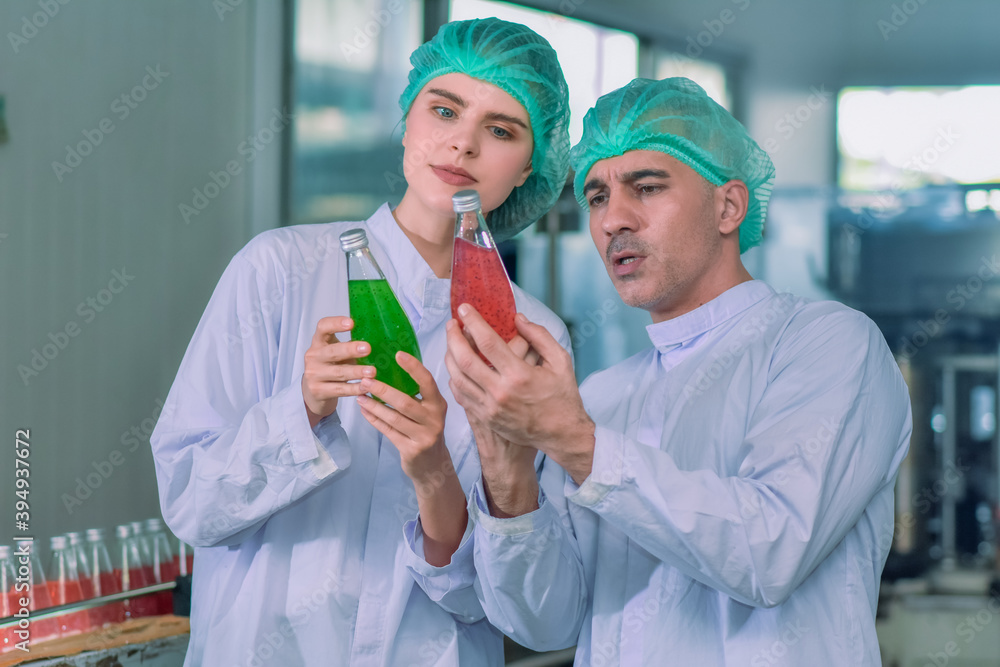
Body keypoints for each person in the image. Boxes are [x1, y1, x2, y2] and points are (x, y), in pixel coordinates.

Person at [445, 77, 913, 665]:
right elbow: (546, 622)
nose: (613, 218)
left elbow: (770, 553)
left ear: (729, 206)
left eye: (645, 186)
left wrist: (572, 440)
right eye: (595, 197)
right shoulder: (603, 395)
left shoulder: (828, 344)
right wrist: (508, 465)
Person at [150, 18, 571, 666]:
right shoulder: (278, 270)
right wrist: (303, 411)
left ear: (529, 170)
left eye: (501, 129)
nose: (462, 143)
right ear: (407, 121)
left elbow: (535, 613)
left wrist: (454, 471)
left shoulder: (533, 338)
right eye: (444, 108)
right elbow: (189, 501)